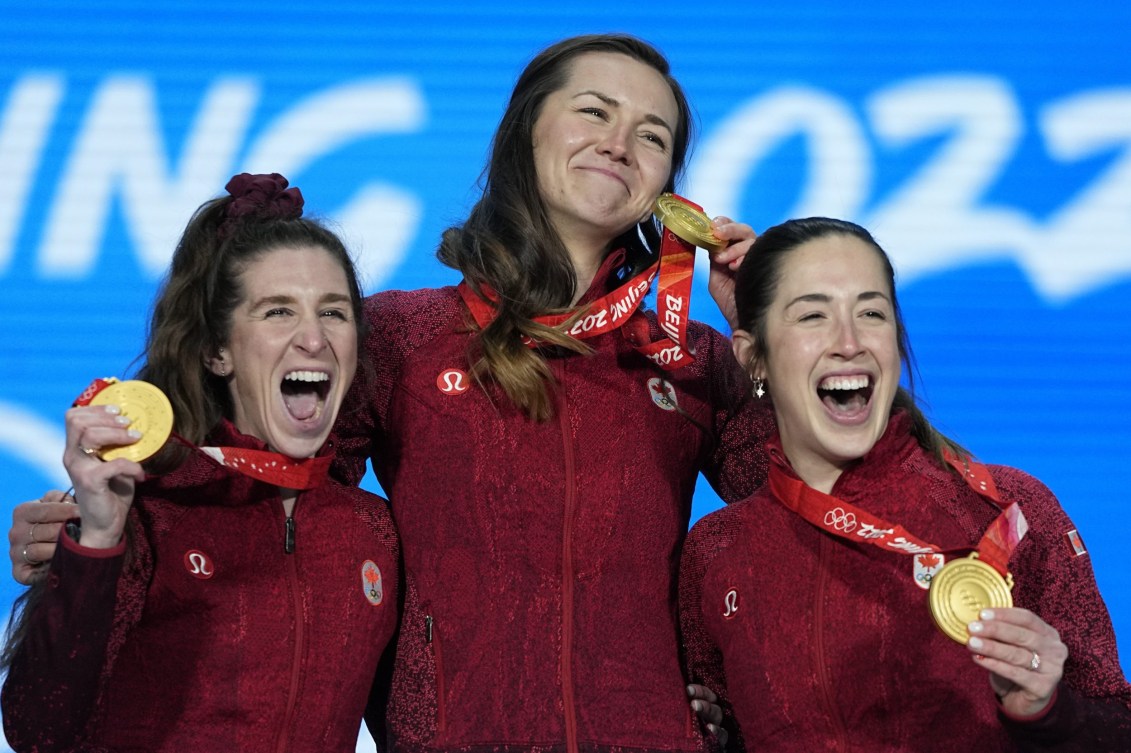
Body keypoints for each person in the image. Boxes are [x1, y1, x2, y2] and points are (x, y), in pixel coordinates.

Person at [9, 35, 775, 752]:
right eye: (594, 111)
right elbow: (261, 490)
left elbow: (813, 536)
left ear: (666, 190)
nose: (619, 141)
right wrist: (97, 538)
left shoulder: (688, 361)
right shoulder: (400, 337)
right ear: (524, 133)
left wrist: (766, 344)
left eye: (652, 134)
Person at [678, 217, 1131, 751]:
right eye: (813, 316)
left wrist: (1049, 711)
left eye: (871, 313)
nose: (849, 342)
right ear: (753, 357)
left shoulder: (1010, 514)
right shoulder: (716, 553)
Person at [1, 173, 400, 752]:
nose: (314, 338)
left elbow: (416, 727)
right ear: (217, 351)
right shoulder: (147, 511)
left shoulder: (373, 532)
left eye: (334, 313)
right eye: (277, 312)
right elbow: (38, 730)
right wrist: (96, 542)